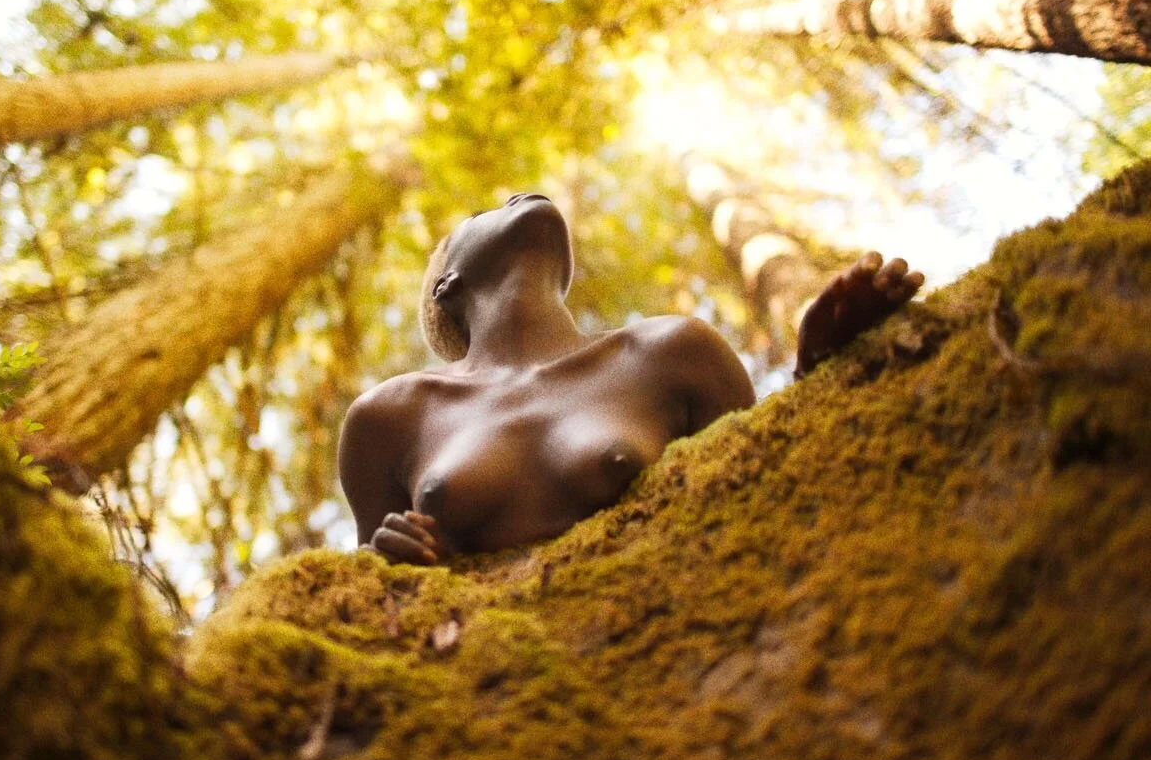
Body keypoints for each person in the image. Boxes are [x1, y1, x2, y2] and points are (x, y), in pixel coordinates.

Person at [338, 193, 923, 564]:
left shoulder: (670, 351)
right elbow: (374, 601)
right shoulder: (389, 418)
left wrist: (820, 376)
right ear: (447, 284)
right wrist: (397, 565)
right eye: (480, 213)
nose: (519, 195)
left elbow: (770, 501)